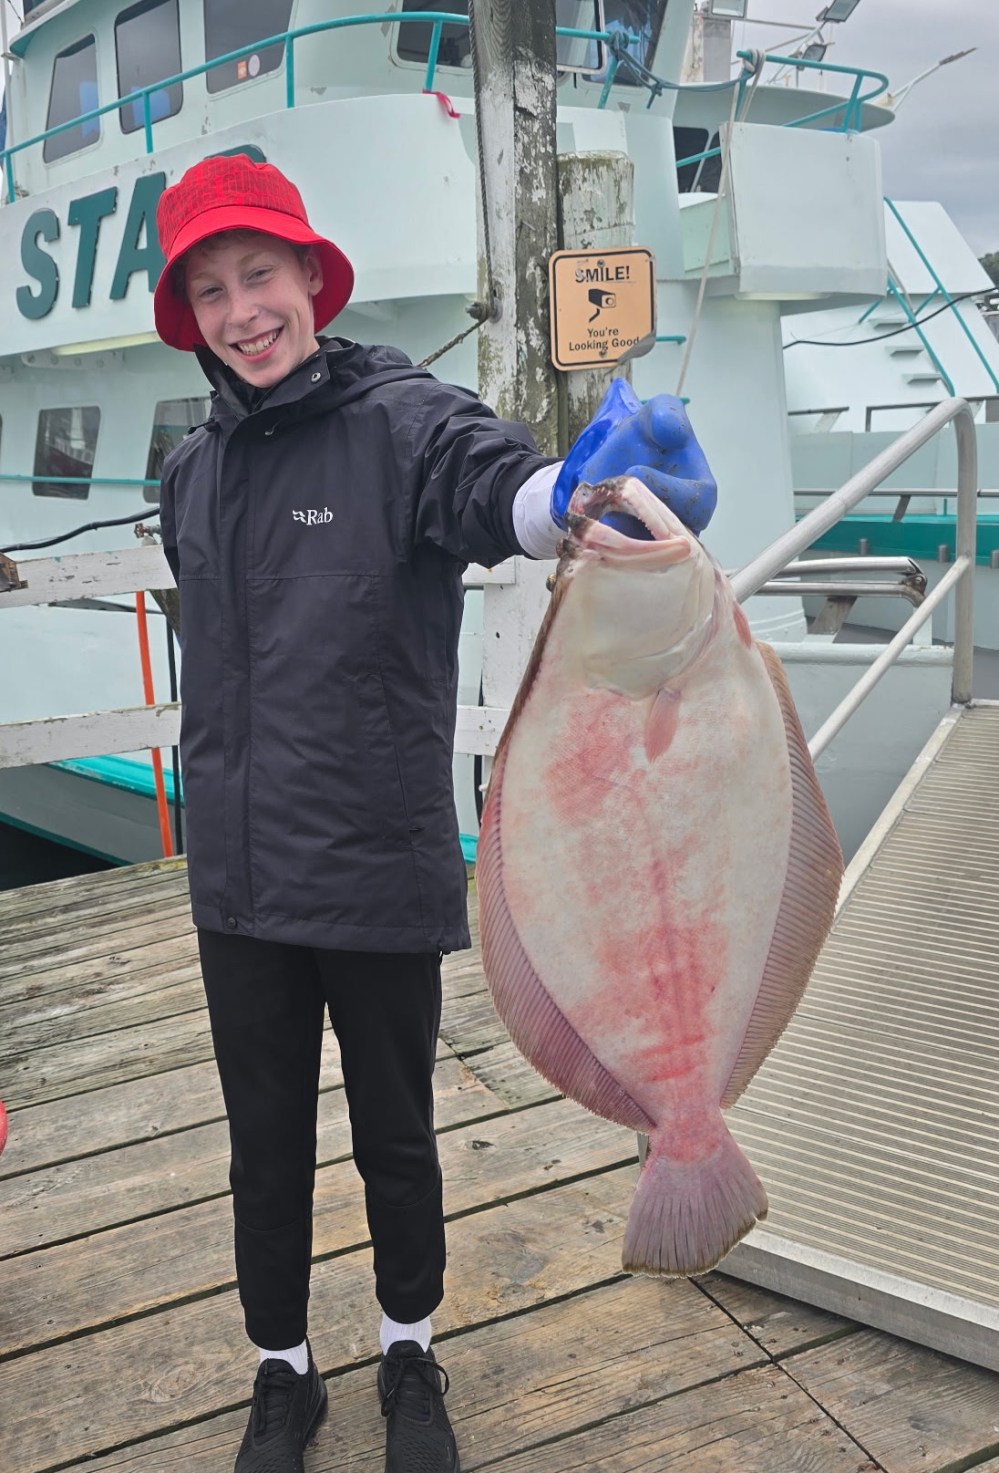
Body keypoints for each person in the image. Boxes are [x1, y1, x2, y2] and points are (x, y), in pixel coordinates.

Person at [152, 152, 716, 1473]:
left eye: (263, 276)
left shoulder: (400, 418)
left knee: (397, 1136)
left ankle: (412, 1348)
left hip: (376, 866)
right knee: (265, 1147)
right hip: (236, 884)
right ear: (196, 316)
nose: (245, 311)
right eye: (214, 289)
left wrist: (577, 491)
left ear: (311, 280)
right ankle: (281, 1371)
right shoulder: (191, 471)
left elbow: (494, 489)